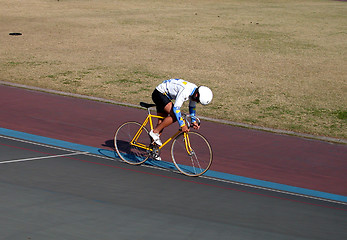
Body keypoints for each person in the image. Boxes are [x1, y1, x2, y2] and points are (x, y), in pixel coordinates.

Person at [150, 78, 213, 146]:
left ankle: (153, 150)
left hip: (164, 95)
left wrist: (193, 121)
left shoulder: (194, 91)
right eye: (197, 101)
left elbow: (192, 107)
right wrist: (182, 125)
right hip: (159, 94)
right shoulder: (185, 91)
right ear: (197, 95)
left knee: (161, 124)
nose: (196, 102)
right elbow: (176, 109)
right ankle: (155, 132)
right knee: (174, 116)